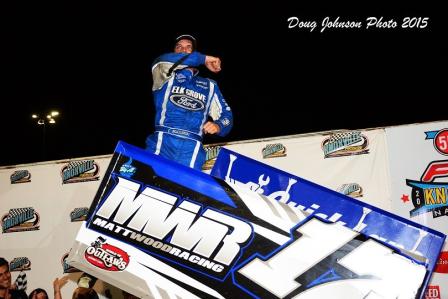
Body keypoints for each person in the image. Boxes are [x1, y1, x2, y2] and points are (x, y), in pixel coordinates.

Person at [145, 34, 233, 170]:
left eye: (188, 47)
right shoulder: (162, 75)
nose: (183, 50)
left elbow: (227, 115)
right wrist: (204, 59)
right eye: (179, 47)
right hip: (162, 142)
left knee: (182, 190)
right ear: (173, 52)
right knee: (148, 185)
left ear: (193, 52)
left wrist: (219, 125)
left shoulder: (210, 86)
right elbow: (162, 60)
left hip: (192, 149)